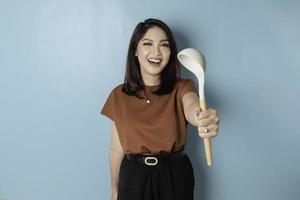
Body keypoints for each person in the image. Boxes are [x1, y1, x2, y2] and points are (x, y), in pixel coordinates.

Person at [100, 18, 220, 200]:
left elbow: (192, 106)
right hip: (133, 177)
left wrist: (201, 118)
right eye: (148, 43)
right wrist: (114, 189)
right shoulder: (119, 95)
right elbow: (116, 150)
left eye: (164, 45)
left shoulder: (183, 87)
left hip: (174, 175)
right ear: (135, 50)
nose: (156, 52)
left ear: (170, 52)